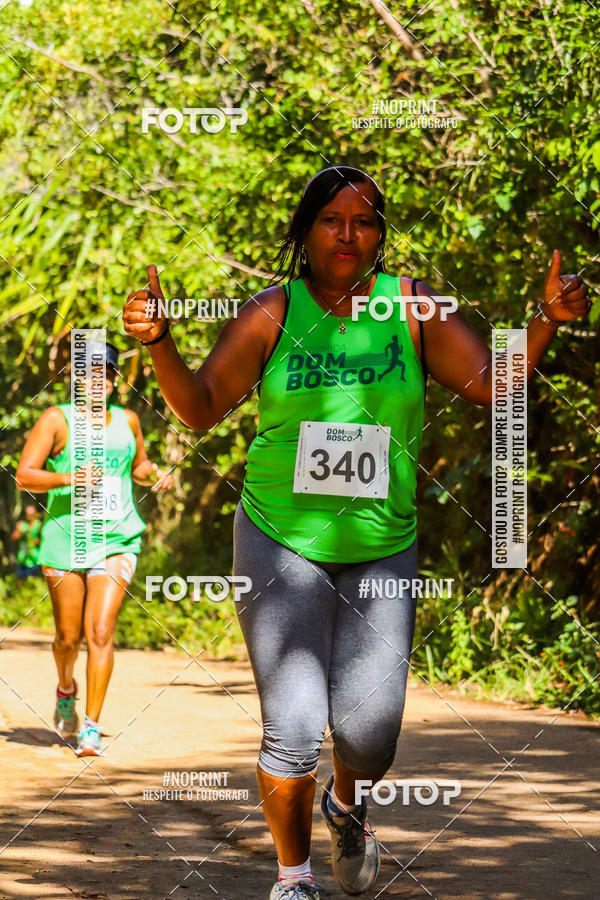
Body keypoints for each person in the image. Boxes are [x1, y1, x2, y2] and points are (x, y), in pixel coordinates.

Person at [123, 165, 591, 899]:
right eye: (331, 220)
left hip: (383, 544)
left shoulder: (411, 308)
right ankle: (292, 877)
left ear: (380, 235)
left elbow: (490, 384)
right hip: (281, 538)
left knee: (370, 735)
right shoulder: (270, 313)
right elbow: (201, 405)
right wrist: (160, 344)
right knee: (295, 724)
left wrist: (546, 322)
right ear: (306, 231)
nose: (348, 234)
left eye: (365, 220)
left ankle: (348, 804)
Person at [15, 337, 173, 757]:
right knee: (68, 637)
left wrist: (152, 472)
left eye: (106, 374)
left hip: (117, 537)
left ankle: (91, 725)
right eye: (88, 374)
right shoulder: (56, 420)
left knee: (100, 631)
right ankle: (66, 687)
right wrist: (71, 478)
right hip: (66, 538)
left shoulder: (128, 420)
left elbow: (137, 464)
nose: (97, 381)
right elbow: (24, 475)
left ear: (116, 380)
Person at [12, 505, 43, 578]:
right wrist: (21, 533)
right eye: (28, 514)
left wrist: (35, 541)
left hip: (35, 559)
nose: (30, 516)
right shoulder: (21, 524)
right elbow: (13, 538)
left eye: (31, 515)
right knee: (21, 581)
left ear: (35, 514)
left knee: (34, 582)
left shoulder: (39, 525)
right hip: (23, 559)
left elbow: (44, 541)